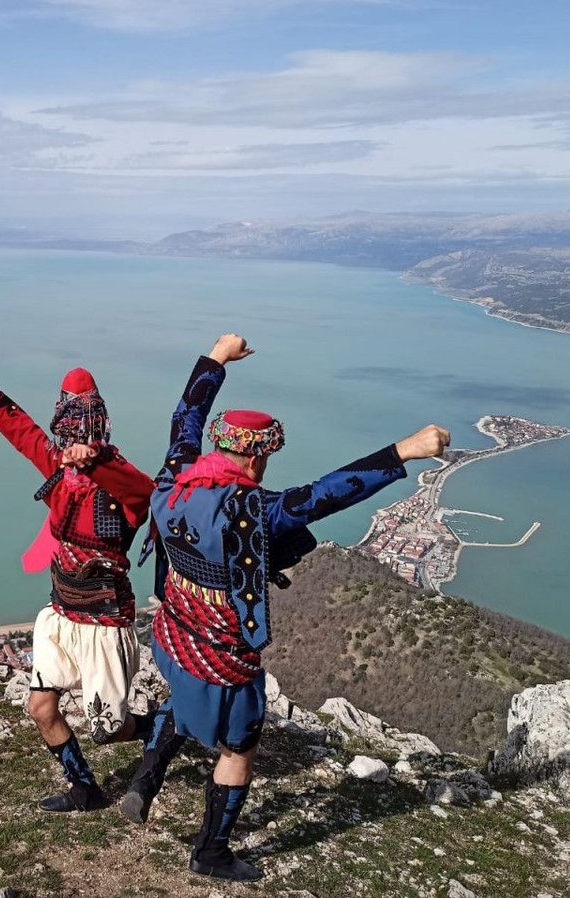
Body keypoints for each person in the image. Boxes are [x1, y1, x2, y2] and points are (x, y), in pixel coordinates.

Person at [121, 333, 450, 882]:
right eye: (267, 455)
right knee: (238, 746)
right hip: (222, 652)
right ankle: (211, 853)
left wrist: (215, 359)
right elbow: (326, 494)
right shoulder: (251, 510)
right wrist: (403, 452)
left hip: (173, 632)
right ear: (255, 455)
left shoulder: (174, 478)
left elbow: (185, 420)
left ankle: (144, 783)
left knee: (179, 696)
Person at [0, 366, 157, 812]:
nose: (67, 446)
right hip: (60, 614)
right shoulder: (59, 472)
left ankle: (163, 726)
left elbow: (146, 492)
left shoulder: (121, 488)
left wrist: (97, 460)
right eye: (65, 436)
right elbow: (24, 434)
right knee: (41, 709)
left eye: (77, 435)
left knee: (109, 727)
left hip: (104, 621)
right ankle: (84, 789)